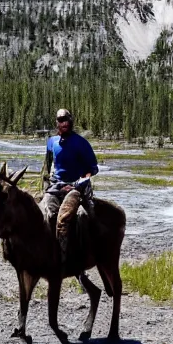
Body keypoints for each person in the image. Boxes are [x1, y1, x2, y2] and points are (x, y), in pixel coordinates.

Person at [41, 109, 98, 263]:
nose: (63, 123)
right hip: (56, 186)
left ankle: (83, 256)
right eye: (60, 120)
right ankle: (51, 250)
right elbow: (47, 166)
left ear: (71, 121)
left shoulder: (81, 143)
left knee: (81, 216)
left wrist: (78, 183)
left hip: (76, 186)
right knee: (48, 214)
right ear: (57, 123)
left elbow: (93, 168)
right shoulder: (51, 142)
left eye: (66, 120)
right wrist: (46, 184)